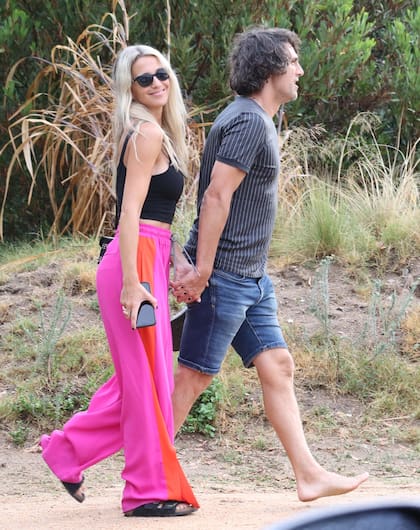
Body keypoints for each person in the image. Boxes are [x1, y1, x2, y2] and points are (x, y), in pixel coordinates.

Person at [171, 27, 369, 502]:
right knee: (193, 376)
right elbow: (217, 196)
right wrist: (202, 270)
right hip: (226, 275)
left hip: (250, 278)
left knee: (278, 365)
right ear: (269, 69)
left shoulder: (258, 120)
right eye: (293, 61)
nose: (300, 70)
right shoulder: (248, 122)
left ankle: (309, 475)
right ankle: (147, 470)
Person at [40, 44, 199, 517]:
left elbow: (156, 219)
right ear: (129, 89)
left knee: (142, 379)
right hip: (132, 264)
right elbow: (129, 213)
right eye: (143, 79)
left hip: (149, 256)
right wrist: (134, 283)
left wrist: (167, 267)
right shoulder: (145, 133)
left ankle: (67, 451)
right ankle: (145, 492)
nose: (155, 83)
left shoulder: (159, 133)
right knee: (143, 380)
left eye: (161, 73)